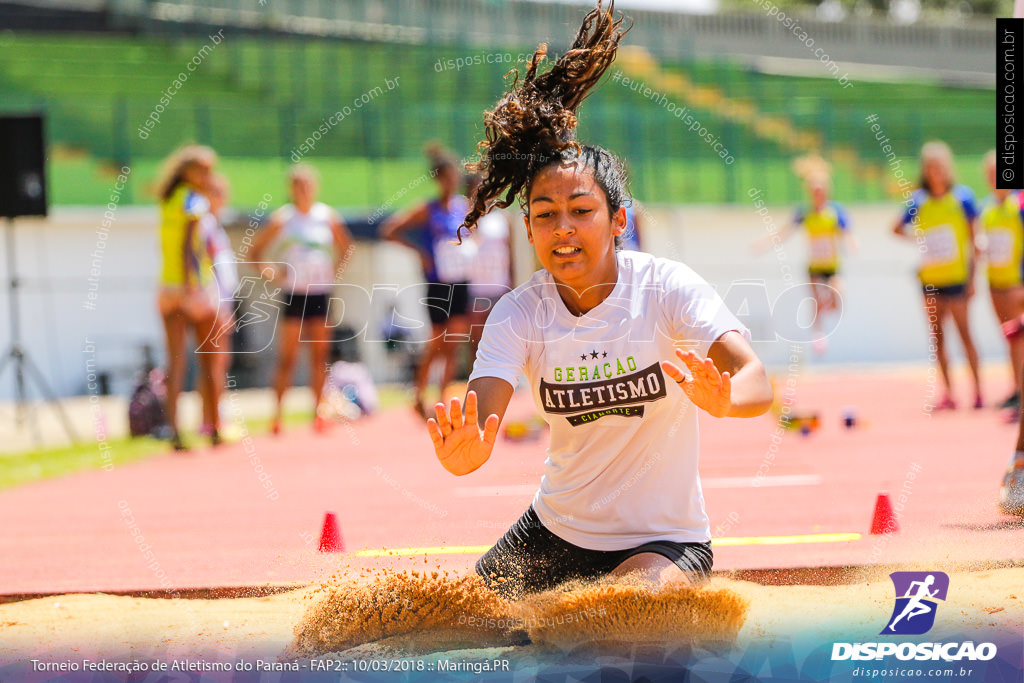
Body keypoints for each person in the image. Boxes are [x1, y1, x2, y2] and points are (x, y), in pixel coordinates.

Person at [425, 2, 773, 600]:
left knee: (612, 617)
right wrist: (463, 454)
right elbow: (475, 437)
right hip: (553, 535)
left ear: (619, 221)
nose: (563, 230)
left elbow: (758, 382)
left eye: (581, 212)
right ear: (528, 231)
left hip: (663, 541)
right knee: (435, 623)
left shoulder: (666, 287)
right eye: (545, 216)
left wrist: (725, 398)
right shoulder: (519, 313)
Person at [251, 164, 352, 435]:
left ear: (315, 187)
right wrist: (272, 273)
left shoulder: (326, 216)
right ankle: (277, 416)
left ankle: (318, 414)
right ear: (291, 189)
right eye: (298, 185)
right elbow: (255, 252)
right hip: (294, 293)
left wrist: (334, 271)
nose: (304, 190)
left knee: (319, 357)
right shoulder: (283, 218)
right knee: (288, 358)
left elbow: (346, 248)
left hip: (321, 293)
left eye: (308, 185)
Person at [382, 146, 477, 418]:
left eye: (454, 177)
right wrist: (421, 253)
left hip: (460, 281)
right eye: (446, 177)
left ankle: (443, 398)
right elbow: (390, 230)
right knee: (436, 342)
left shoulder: (464, 207)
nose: (451, 182)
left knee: (454, 342)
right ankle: (419, 393)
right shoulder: (427, 209)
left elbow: (474, 235)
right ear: (438, 179)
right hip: (437, 283)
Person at [892, 141, 982, 411]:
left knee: (965, 334)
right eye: (931, 168)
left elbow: (974, 240)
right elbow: (896, 228)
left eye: (941, 167)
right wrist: (922, 242)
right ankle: (949, 393)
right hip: (930, 280)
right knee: (938, 337)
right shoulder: (918, 201)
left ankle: (978, 391)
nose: (936, 172)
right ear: (925, 170)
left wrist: (972, 277)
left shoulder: (963, 198)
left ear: (948, 168)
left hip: (958, 279)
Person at [154, 144, 221, 450]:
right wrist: (191, 285)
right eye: (203, 170)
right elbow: (188, 245)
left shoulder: (168, 200)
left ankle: (173, 429)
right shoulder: (195, 200)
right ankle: (215, 427)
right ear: (187, 171)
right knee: (210, 360)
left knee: (175, 361)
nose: (208, 176)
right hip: (192, 286)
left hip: (166, 287)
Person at [754, 155, 853, 355]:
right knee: (816, 301)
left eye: (821, 190)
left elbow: (847, 232)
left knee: (838, 297)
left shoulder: (835, 211)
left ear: (827, 191)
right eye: (814, 191)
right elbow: (783, 233)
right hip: (814, 267)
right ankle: (818, 334)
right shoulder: (804, 212)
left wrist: (851, 243)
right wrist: (764, 243)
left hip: (832, 266)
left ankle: (828, 305)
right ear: (809, 192)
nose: (818, 194)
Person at [978, 151, 1024, 416]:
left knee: (1019, 339)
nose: (996, 178)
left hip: (1016, 284)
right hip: (995, 283)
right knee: (1010, 340)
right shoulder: (988, 207)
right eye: (991, 174)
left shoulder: (1018, 204)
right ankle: (1017, 389)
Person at [197, 173, 238, 440]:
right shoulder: (206, 224)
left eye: (222, 194)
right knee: (214, 364)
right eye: (215, 193)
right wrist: (220, 306)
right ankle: (212, 421)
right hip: (214, 302)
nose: (220, 199)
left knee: (218, 363)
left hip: (222, 301)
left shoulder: (215, 225)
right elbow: (209, 267)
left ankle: (213, 418)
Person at [465, 172, 515, 355]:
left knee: (501, 335)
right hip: (476, 288)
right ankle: (475, 378)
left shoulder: (502, 218)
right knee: (476, 338)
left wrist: (512, 283)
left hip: (499, 285)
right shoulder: (466, 217)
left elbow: (509, 253)